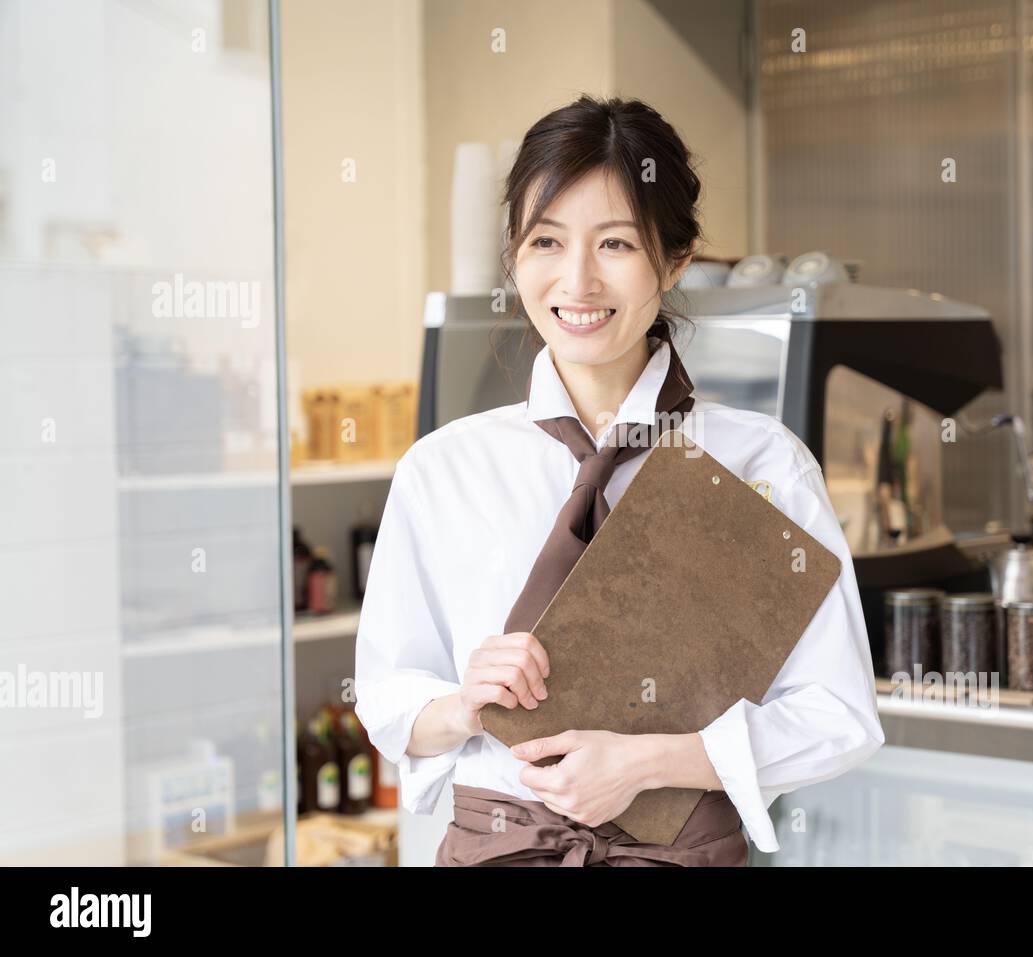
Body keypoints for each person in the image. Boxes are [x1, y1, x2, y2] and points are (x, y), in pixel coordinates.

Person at [354, 94, 884, 867]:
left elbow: (840, 715)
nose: (578, 280)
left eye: (614, 244)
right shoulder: (442, 468)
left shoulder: (762, 465)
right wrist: (462, 705)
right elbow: (385, 698)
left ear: (674, 259)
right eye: (546, 241)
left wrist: (657, 763)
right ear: (513, 256)